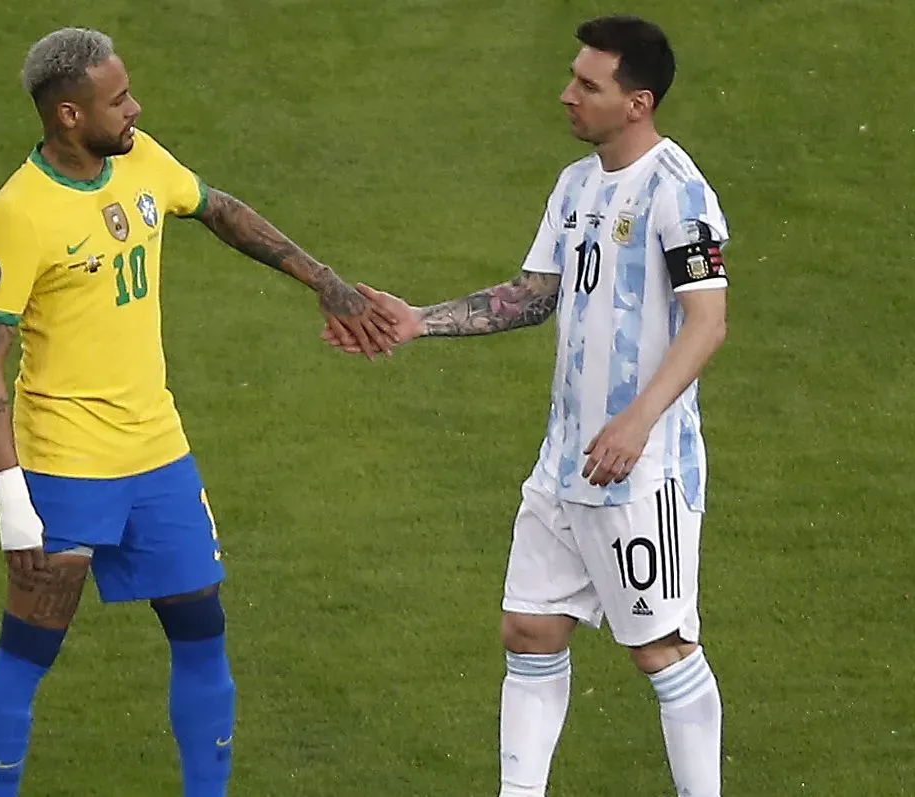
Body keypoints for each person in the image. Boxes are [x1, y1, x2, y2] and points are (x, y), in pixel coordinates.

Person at [0, 26, 396, 797]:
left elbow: (218, 207)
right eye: (117, 98)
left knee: (202, 634)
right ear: (67, 115)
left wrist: (324, 280)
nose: (136, 107)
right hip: (67, 463)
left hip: (158, 455)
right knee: (27, 651)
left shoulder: (139, 158)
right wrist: (11, 501)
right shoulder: (19, 214)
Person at [323, 14, 730, 797]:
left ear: (636, 102)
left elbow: (707, 321)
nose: (565, 95)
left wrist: (636, 422)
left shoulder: (679, 193)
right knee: (530, 628)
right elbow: (534, 295)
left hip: (640, 473)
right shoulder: (576, 186)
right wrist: (418, 320)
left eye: (587, 84)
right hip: (563, 462)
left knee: (662, 647)